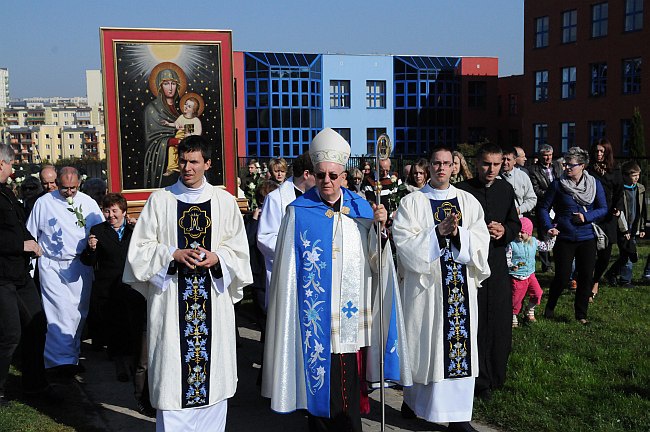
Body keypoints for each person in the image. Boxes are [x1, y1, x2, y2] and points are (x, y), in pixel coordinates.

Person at [262, 128, 411, 432]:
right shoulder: (298, 212)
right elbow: (288, 272)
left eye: (333, 175)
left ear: (344, 175)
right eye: (320, 175)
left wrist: (380, 232)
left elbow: (376, 261)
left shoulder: (361, 208)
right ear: (312, 175)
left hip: (352, 314)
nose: (326, 181)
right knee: (322, 389)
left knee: (348, 385)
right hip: (314, 315)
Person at [123, 135, 252, 431]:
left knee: (213, 384)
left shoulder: (224, 202)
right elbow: (138, 252)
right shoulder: (161, 200)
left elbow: (240, 253)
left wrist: (217, 258)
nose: (187, 167)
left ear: (207, 164)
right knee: (172, 386)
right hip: (171, 309)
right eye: (182, 161)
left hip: (213, 307)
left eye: (194, 162)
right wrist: (172, 253)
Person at [392, 146, 490, 432]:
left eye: (448, 163)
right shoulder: (413, 203)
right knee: (425, 347)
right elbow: (404, 243)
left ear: (455, 167)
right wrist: (437, 232)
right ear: (429, 166)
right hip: (427, 290)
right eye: (437, 163)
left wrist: (459, 233)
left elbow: (481, 239)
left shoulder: (468, 202)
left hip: (459, 291)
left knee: (455, 350)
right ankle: (412, 402)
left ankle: (458, 417)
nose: (442, 168)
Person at [456, 143, 521, 400]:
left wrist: (505, 231)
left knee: (499, 322)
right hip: (469, 265)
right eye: (486, 164)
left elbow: (515, 222)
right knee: (475, 322)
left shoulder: (505, 189)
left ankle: (496, 375)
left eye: (496, 164)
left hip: (497, 263)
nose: (491, 169)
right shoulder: (462, 191)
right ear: (476, 164)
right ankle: (477, 379)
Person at [80, 193, 153, 415]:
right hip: (108, 289)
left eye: (114, 211)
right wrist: (91, 249)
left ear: (123, 212)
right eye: (107, 211)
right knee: (116, 330)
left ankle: (134, 366)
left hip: (133, 287)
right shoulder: (98, 232)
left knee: (134, 330)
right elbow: (89, 262)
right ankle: (121, 365)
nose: (110, 215)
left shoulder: (134, 231)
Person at [26, 166, 103, 376]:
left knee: (78, 313)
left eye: (73, 188)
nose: (69, 192)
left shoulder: (88, 203)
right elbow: (31, 232)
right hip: (52, 265)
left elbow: (100, 230)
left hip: (79, 264)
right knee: (58, 313)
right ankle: (58, 365)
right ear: (58, 184)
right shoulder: (44, 203)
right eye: (64, 188)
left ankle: (72, 357)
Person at [0, 144, 50, 407]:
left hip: (19, 275)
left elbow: (19, 227)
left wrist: (31, 242)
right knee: (9, 334)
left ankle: (35, 385)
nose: (13, 169)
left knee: (36, 326)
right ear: (1, 164)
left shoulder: (7, 194)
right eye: (11, 165)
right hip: (2, 278)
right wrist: (20, 246)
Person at [538, 147, 607, 325]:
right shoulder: (558, 185)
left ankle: (581, 315)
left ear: (582, 166)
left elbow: (603, 208)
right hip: (565, 237)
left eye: (571, 165)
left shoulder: (594, 184)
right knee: (562, 276)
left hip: (587, 237)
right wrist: (548, 227)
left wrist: (587, 217)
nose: (567, 168)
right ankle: (550, 306)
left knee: (585, 276)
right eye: (565, 164)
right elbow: (543, 208)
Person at [257, 152, 315, 300]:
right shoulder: (276, 199)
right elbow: (265, 238)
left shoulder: (318, 197)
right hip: (287, 272)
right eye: (319, 175)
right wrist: (298, 250)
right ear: (306, 174)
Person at [586, 139, 623, 299]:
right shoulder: (588, 170)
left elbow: (620, 193)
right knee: (588, 253)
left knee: (605, 255)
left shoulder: (615, 171)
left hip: (608, 217)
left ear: (607, 152)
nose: (599, 154)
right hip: (591, 215)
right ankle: (585, 283)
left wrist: (618, 208)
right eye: (596, 151)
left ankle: (595, 280)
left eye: (602, 151)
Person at [506, 217, 555, 327]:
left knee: (538, 293)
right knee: (516, 298)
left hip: (530, 274)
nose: (519, 234)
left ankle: (529, 310)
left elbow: (546, 247)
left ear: (529, 232)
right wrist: (511, 266)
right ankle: (513, 315)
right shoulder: (512, 244)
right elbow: (507, 258)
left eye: (522, 232)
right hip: (517, 276)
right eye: (518, 231)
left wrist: (551, 236)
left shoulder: (534, 241)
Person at [604, 161, 646, 288]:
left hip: (633, 226)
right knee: (629, 253)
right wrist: (624, 230)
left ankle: (612, 274)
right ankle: (625, 280)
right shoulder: (620, 189)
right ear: (625, 176)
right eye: (634, 175)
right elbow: (619, 211)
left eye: (638, 175)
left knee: (626, 254)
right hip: (622, 226)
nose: (636, 178)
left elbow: (642, 209)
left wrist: (642, 227)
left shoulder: (640, 188)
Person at [143, 63, 185, 189]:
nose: (170, 88)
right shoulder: (152, 109)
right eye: (166, 84)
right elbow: (152, 140)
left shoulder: (184, 108)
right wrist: (174, 141)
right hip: (162, 162)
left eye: (173, 83)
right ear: (160, 86)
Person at [529, 144, 563, 272]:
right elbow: (536, 188)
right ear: (540, 156)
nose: (548, 158)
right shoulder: (533, 170)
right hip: (543, 204)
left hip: (558, 204)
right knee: (544, 234)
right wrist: (551, 195)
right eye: (545, 155)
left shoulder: (557, 166)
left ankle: (559, 260)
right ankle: (546, 265)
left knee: (558, 232)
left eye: (550, 155)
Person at [162, 94, 203, 177]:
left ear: (193, 110)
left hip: (189, 140)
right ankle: (171, 168)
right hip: (179, 138)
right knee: (172, 149)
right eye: (185, 104)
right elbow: (175, 124)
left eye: (189, 106)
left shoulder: (196, 120)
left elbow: (198, 133)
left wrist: (190, 134)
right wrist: (168, 124)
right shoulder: (181, 117)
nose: (186, 107)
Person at [500, 146, 537, 215]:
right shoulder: (493, 176)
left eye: (508, 159)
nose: (505, 162)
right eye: (503, 159)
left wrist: (519, 210)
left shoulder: (523, 176)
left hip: (518, 219)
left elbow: (532, 199)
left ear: (514, 161)